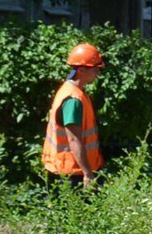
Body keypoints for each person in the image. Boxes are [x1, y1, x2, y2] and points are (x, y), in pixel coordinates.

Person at [42, 41, 105, 185]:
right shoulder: (73, 100)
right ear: (81, 70)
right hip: (72, 174)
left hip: (69, 171)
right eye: (95, 68)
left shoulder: (71, 91)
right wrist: (88, 174)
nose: (97, 72)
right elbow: (73, 140)